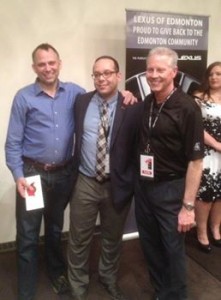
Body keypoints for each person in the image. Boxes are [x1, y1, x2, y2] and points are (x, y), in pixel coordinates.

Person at [5, 44, 136, 300]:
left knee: (55, 230)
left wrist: (127, 96)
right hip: (32, 175)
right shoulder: (24, 97)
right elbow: (12, 143)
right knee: (29, 234)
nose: (48, 68)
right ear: (34, 68)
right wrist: (18, 175)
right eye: (41, 64)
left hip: (64, 175)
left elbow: (108, 97)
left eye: (52, 62)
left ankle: (57, 274)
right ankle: (27, 290)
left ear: (59, 63)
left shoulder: (76, 94)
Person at [67, 55, 142, 300]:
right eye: (97, 74)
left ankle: (107, 278)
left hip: (117, 185)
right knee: (79, 238)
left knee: (112, 238)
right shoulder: (81, 101)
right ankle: (77, 285)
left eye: (108, 73)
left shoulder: (132, 106)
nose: (102, 78)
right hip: (86, 181)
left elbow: (138, 148)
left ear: (118, 76)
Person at [134, 47, 204, 300]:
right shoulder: (148, 102)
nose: (153, 74)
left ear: (174, 72)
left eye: (160, 70)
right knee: (150, 247)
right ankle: (161, 292)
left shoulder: (187, 107)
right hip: (144, 188)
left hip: (171, 190)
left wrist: (187, 207)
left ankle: (176, 296)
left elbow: (196, 162)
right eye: (150, 69)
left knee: (172, 251)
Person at [193, 61, 221, 253]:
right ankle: (201, 233)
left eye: (218, 74)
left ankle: (216, 229)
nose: (214, 77)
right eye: (211, 74)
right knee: (205, 195)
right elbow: (196, 128)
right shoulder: (198, 98)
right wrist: (217, 145)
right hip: (207, 153)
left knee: (220, 195)